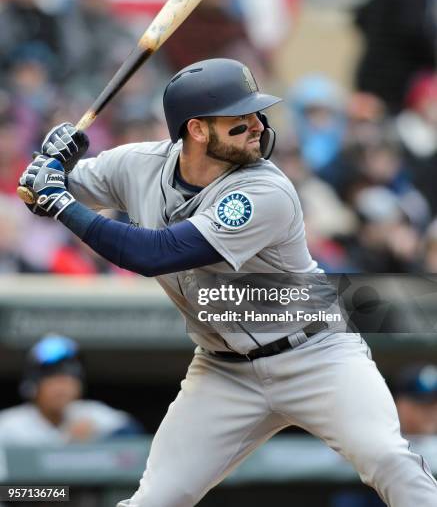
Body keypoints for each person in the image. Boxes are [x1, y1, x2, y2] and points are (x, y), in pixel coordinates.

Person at [19, 58, 437, 506]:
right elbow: (46, 190)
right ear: (197, 130)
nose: (257, 125)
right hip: (224, 371)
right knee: (155, 499)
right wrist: (48, 164)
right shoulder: (137, 164)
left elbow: (152, 254)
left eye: (256, 114)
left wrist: (58, 199)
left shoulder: (265, 191)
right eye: (240, 119)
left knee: (388, 459)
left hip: (317, 354)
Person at [0, 334, 142, 445]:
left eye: (68, 381)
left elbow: (134, 434)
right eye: (54, 382)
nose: (62, 389)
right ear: (33, 387)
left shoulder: (89, 414)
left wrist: (100, 439)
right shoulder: (10, 425)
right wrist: (64, 444)